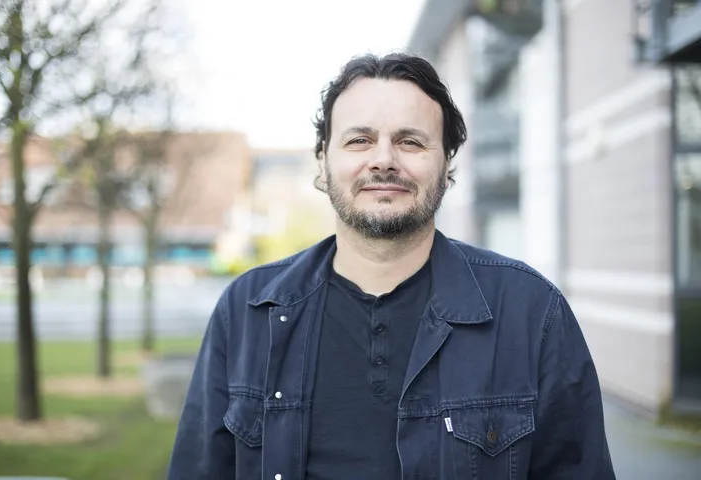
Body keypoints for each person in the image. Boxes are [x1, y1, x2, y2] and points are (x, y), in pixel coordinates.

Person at [167, 53, 616, 480]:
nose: (383, 159)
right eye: (359, 140)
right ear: (323, 162)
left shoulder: (531, 312)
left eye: (410, 141)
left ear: (446, 165)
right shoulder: (247, 311)